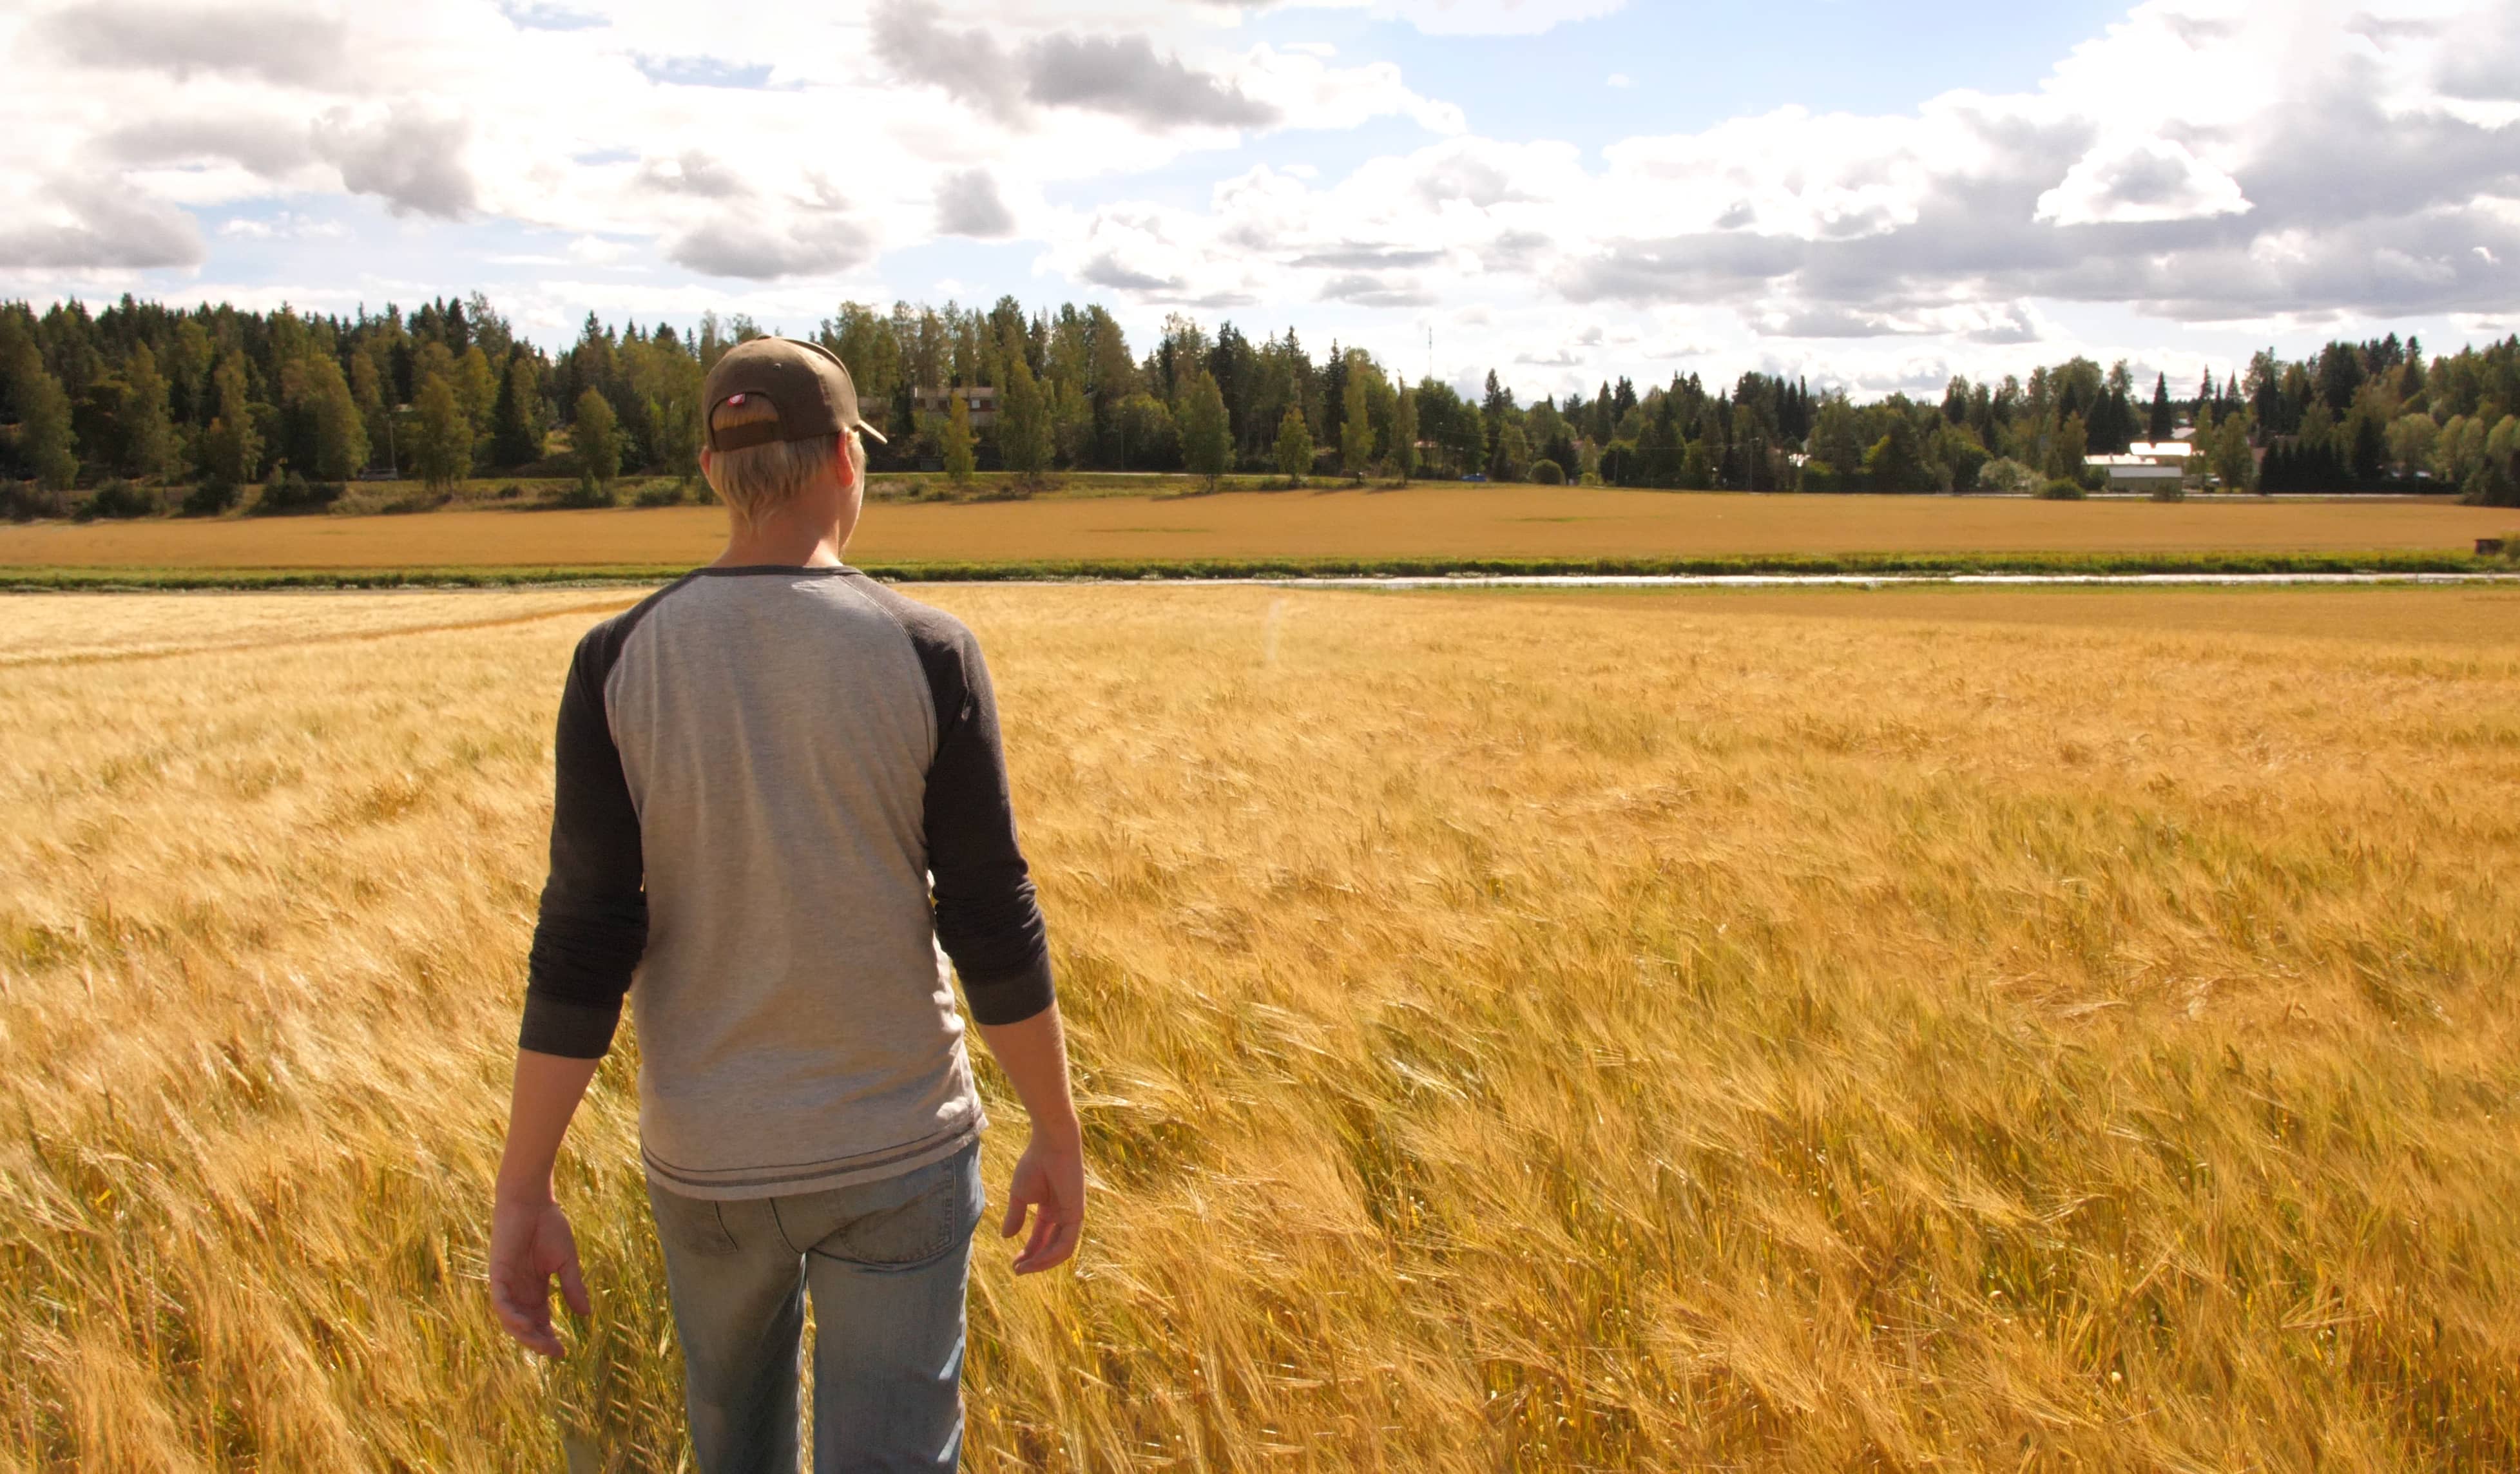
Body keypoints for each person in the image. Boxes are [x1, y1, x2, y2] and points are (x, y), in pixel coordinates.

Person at [485, 336, 1085, 1471]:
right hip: (900, 1145)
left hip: (707, 1158)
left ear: (715, 473)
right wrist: (1055, 1130)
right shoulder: (928, 652)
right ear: (848, 464)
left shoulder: (617, 661)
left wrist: (525, 1188)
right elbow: (990, 914)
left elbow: (582, 941)